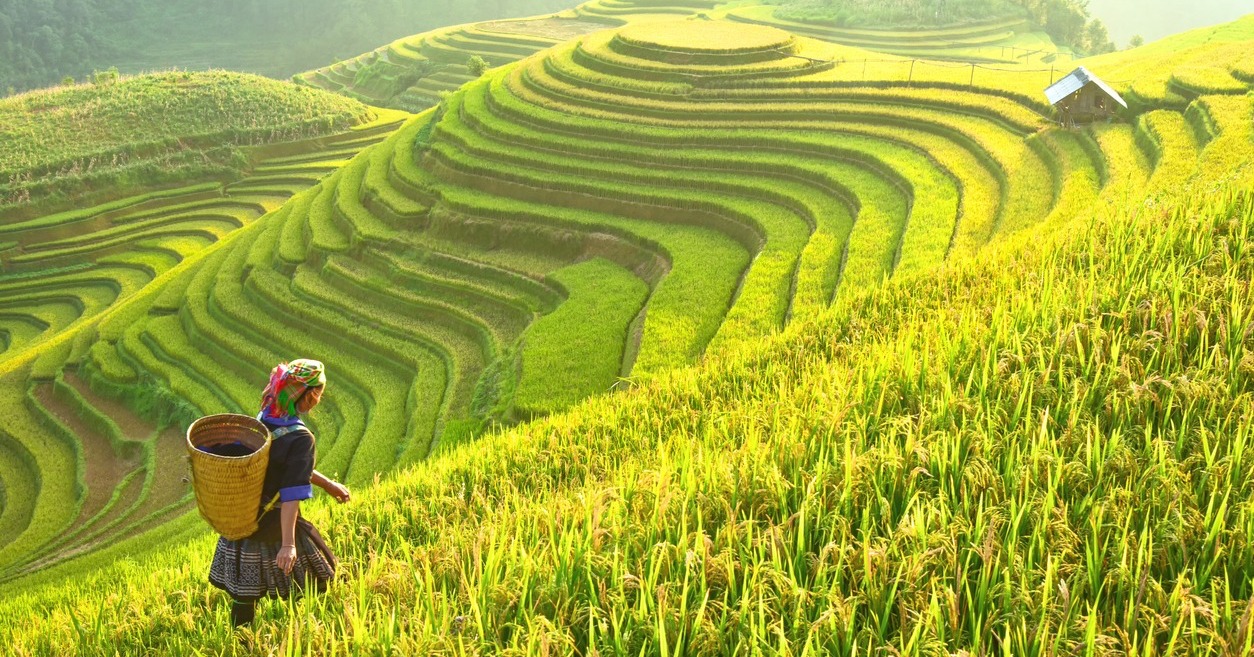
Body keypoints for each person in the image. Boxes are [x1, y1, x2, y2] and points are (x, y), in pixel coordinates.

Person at [208, 359, 351, 627]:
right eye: (319, 392)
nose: (319, 398)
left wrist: (329, 486)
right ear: (307, 396)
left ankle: (241, 640)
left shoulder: (264, 418)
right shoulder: (301, 438)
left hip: (244, 513)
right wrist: (288, 544)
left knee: (244, 591)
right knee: (322, 574)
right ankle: (322, 626)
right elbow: (291, 493)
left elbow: (290, 468)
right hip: (273, 519)